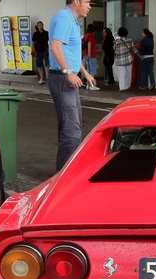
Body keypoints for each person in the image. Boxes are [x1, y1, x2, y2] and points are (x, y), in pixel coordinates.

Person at [48, 0, 97, 172]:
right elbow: (55, 47)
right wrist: (68, 72)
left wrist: (83, 72)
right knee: (72, 131)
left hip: (67, 78)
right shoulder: (64, 18)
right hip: (62, 79)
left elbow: (71, 53)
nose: (89, 6)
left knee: (70, 128)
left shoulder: (72, 21)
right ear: (76, 1)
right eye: (87, 2)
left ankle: (63, 172)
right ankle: (65, 176)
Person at [114, 27, 134, 92]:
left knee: (121, 74)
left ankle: (122, 87)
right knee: (128, 73)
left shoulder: (116, 41)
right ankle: (127, 86)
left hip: (119, 60)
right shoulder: (130, 40)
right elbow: (133, 49)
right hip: (128, 59)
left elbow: (114, 49)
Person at [82, 23, 99, 90]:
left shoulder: (86, 35)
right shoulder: (92, 35)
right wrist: (89, 52)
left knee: (88, 69)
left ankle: (88, 84)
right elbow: (89, 43)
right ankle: (92, 85)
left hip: (86, 54)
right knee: (92, 70)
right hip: (91, 55)